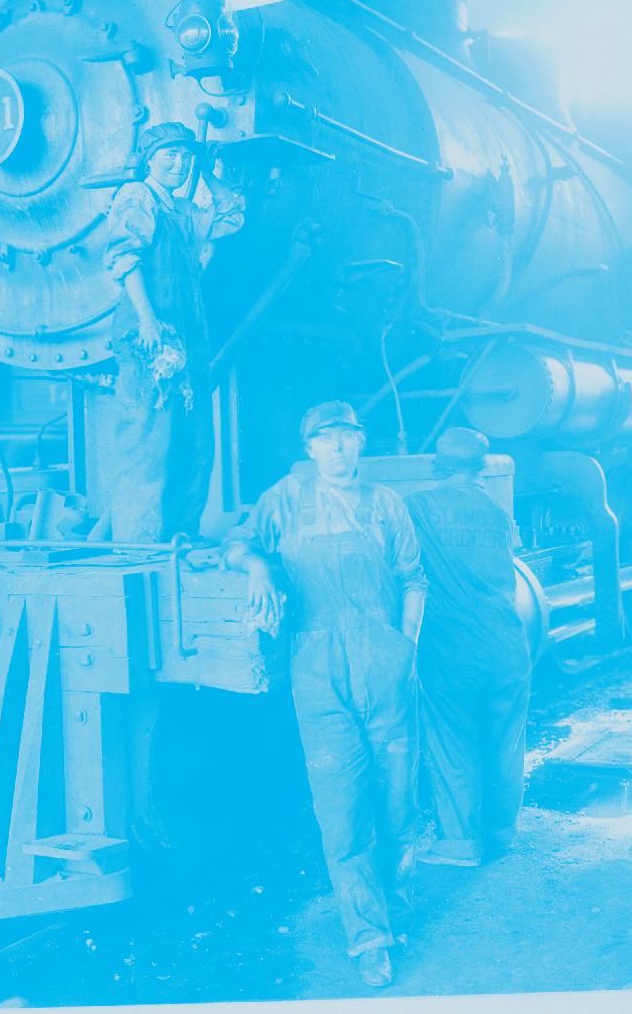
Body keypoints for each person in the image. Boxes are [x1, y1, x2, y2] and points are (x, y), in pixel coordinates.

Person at [223, 401, 427, 988]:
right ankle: (368, 937)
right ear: (310, 448)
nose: (337, 447)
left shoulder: (386, 504)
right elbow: (236, 543)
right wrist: (257, 568)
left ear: (361, 442)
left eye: (346, 436)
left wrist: (405, 648)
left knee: (399, 805)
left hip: (386, 666)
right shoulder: (284, 500)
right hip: (318, 672)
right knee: (341, 812)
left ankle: (396, 909)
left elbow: (414, 579)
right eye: (325, 438)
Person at [104, 121, 244, 542]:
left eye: (185, 157)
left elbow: (231, 216)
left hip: (188, 335)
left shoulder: (181, 211)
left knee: (194, 437)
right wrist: (147, 319)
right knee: (149, 438)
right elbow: (126, 259)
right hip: (151, 334)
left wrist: (208, 171)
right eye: (170, 156)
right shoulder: (137, 196)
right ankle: (141, 542)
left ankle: (182, 534)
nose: (179, 164)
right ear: (150, 160)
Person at [405, 427, 531, 867]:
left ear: (438, 466)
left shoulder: (417, 507)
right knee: (505, 739)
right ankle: (502, 831)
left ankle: (459, 843)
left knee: (453, 739)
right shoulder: (497, 512)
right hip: (507, 639)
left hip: (452, 643)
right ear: (480, 467)